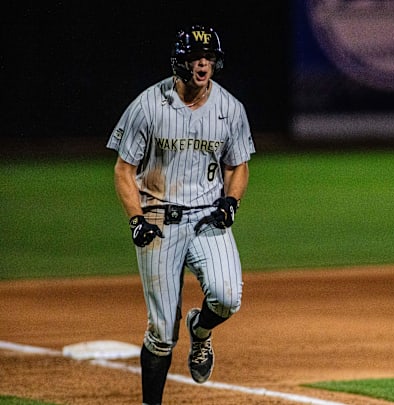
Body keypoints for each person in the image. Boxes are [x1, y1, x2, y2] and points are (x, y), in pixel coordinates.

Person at [107, 24, 255, 405]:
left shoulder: (229, 108)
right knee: (161, 331)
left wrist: (231, 201)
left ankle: (200, 331)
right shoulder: (148, 106)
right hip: (158, 219)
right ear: (180, 61)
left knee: (226, 298)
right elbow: (124, 169)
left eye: (208, 57)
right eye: (194, 57)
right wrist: (136, 218)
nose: (202, 63)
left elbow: (238, 165)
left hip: (207, 218)